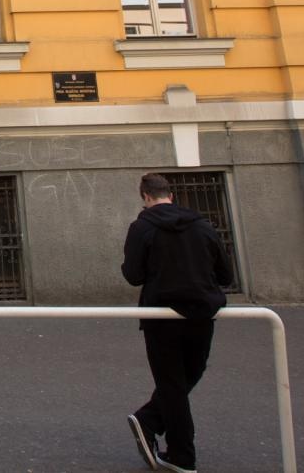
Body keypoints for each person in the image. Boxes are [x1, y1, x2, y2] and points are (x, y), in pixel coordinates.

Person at [121, 172, 233, 473]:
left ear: (145, 196)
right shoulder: (203, 225)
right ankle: (157, 429)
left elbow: (133, 275)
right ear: (171, 195)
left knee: (172, 384)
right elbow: (226, 274)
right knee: (187, 376)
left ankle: (177, 451)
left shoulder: (142, 227)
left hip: (162, 316)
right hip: (200, 315)